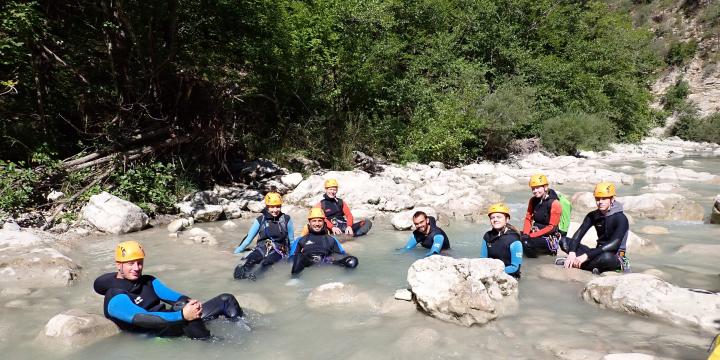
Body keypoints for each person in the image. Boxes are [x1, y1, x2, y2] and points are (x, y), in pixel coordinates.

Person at [93, 240, 243, 339]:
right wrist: (183, 315)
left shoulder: (148, 281)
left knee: (226, 299)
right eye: (130, 264)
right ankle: (211, 345)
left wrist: (192, 304)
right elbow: (143, 318)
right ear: (119, 265)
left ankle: (245, 330)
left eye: (139, 263)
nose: (136, 268)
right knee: (183, 310)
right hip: (154, 332)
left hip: (173, 320)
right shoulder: (115, 296)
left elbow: (175, 297)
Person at [558, 182, 630, 274]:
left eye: (604, 199)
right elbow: (579, 234)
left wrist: (586, 255)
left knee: (606, 258)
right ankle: (591, 266)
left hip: (614, 256)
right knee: (564, 241)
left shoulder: (621, 218)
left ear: (612, 199)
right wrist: (572, 253)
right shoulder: (593, 215)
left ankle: (578, 264)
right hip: (596, 253)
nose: (600, 202)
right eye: (598, 199)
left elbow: (614, 244)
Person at [233, 192, 295, 280]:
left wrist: (292, 257)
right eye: (272, 207)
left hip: (279, 251)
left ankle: (255, 278)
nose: (275, 209)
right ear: (267, 206)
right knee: (248, 261)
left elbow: (291, 241)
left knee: (265, 263)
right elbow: (248, 239)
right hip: (261, 248)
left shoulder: (286, 219)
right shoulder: (260, 220)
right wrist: (237, 251)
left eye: (278, 206)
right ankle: (239, 278)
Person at [289, 207, 358, 275]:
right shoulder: (301, 239)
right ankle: (295, 279)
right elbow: (291, 258)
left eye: (320, 221)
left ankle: (347, 279)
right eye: (314, 221)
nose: (317, 224)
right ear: (309, 223)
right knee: (298, 257)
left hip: (327, 262)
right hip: (309, 262)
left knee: (352, 260)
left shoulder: (331, 239)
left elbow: (342, 254)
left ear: (324, 222)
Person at [521, 174, 564, 258]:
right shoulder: (533, 200)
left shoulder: (554, 203)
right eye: (533, 188)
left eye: (538, 188)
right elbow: (528, 219)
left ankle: (533, 264)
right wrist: (526, 234)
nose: (535, 191)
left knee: (526, 243)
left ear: (545, 187)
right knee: (512, 238)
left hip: (548, 238)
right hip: (535, 233)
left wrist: (531, 236)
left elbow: (552, 227)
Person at [481, 203, 523, 279]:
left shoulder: (514, 240)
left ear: (507, 219)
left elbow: (515, 268)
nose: (495, 220)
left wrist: (494, 272)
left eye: (499, 217)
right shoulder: (487, 236)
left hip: (509, 276)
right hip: (490, 273)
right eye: (492, 217)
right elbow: (482, 259)